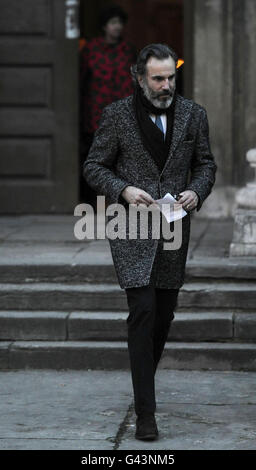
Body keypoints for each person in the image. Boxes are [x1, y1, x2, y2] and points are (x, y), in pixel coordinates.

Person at [83, 43, 217, 441]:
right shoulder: (117, 116)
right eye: (157, 78)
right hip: (131, 227)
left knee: (164, 314)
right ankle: (146, 412)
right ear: (138, 78)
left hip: (175, 228)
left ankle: (143, 380)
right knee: (142, 310)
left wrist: (197, 191)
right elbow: (93, 166)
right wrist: (122, 189)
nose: (166, 85)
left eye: (170, 77)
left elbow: (206, 164)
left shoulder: (194, 115)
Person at [79, 4, 136, 206]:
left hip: (124, 113)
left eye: (120, 23)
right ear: (104, 26)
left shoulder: (128, 50)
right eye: (113, 23)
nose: (117, 27)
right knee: (96, 159)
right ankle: (94, 202)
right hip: (96, 113)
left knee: (122, 158)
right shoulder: (90, 50)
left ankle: (119, 200)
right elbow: (80, 81)